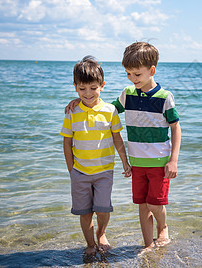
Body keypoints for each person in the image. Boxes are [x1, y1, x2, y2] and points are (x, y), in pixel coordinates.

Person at [66, 43, 181, 250]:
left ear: (151, 70)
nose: (132, 78)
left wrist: (173, 160)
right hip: (137, 162)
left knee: (155, 203)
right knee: (142, 204)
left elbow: (176, 128)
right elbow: (104, 108)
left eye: (136, 74)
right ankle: (147, 245)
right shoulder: (127, 94)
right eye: (128, 73)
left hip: (159, 161)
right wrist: (81, 98)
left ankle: (163, 228)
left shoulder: (165, 97)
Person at [60, 56, 132, 257]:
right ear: (75, 87)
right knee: (84, 212)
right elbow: (67, 142)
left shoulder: (110, 111)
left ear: (102, 85)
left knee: (103, 210)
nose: (87, 93)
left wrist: (125, 161)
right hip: (80, 171)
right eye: (82, 89)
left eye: (93, 88)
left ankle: (101, 234)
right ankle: (90, 243)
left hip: (104, 171)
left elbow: (117, 139)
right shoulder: (72, 111)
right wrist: (71, 169)